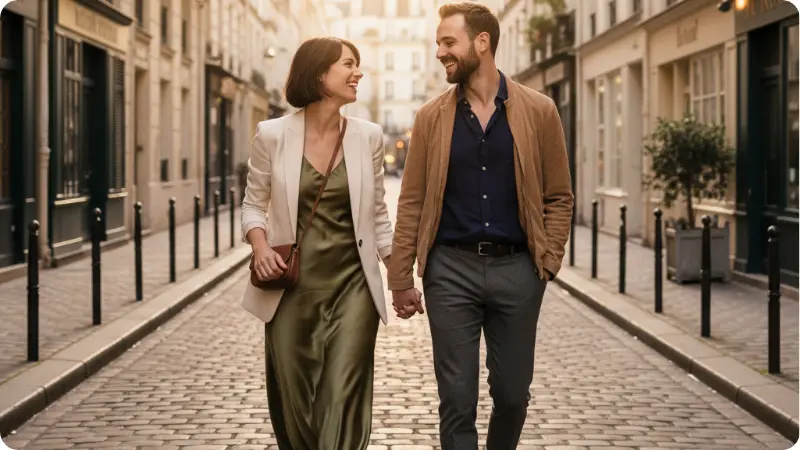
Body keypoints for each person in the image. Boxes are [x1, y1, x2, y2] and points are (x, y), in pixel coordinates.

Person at [387, 3, 574, 450]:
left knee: (512, 395)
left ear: (482, 42)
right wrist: (400, 279)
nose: (439, 53)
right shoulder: (431, 118)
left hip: (517, 271)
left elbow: (559, 196)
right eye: (438, 44)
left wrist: (546, 262)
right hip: (450, 272)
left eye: (448, 42)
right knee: (456, 399)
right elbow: (411, 201)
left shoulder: (539, 110)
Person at [239, 36, 397, 450]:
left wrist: (401, 276)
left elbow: (379, 215)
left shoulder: (368, 136)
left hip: (353, 288)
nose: (358, 72)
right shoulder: (272, 134)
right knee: (296, 398)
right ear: (319, 73)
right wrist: (259, 247)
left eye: (357, 64)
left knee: (342, 395)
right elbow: (253, 205)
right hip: (292, 290)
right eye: (348, 64)